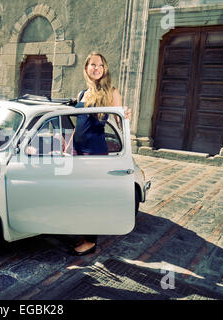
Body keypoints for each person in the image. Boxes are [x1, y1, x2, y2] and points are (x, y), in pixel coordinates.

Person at [70, 51, 131, 256]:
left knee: (91, 197)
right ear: (86, 68)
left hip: (95, 153)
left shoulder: (111, 92)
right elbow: (79, 124)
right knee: (78, 195)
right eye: (93, 65)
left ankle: (90, 241)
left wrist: (125, 115)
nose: (97, 68)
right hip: (77, 152)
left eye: (101, 65)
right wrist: (67, 148)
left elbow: (120, 121)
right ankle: (82, 231)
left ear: (104, 69)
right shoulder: (81, 94)